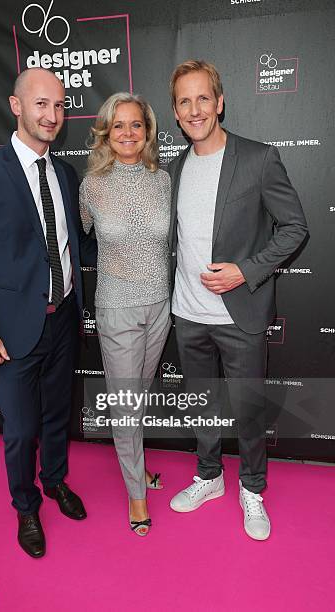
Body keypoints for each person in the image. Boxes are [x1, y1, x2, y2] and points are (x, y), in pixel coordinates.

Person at [0, 67, 97, 558]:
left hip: (62, 321)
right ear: (16, 106)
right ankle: (26, 505)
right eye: (40, 104)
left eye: (59, 106)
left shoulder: (66, 173)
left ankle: (54, 481)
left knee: (58, 415)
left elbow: (68, 244)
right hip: (10, 330)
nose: (51, 115)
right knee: (19, 428)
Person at [167, 60, 308, 540]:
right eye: (184, 101)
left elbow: (294, 228)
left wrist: (246, 271)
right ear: (176, 112)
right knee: (201, 403)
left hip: (239, 315)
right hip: (187, 314)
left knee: (248, 409)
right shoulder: (174, 168)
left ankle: (252, 488)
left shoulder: (258, 158)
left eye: (202, 97)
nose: (194, 109)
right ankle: (208, 476)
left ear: (220, 102)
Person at [79, 93, 171, 536]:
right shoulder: (91, 185)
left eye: (136, 125)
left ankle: (139, 468)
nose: (128, 133)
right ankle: (137, 494)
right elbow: (75, 236)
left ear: (148, 132)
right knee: (125, 405)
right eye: (119, 126)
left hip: (161, 307)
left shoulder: (163, 180)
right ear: (105, 132)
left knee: (141, 398)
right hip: (116, 307)